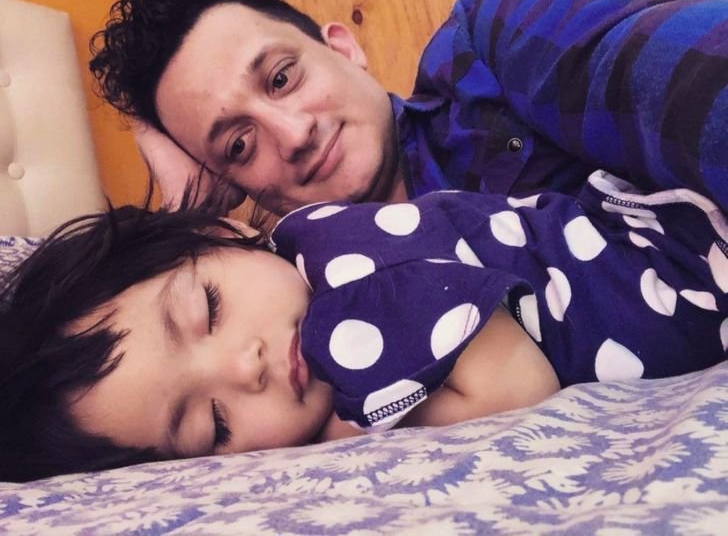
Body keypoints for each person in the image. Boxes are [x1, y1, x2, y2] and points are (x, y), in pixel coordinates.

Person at [2, 167, 726, 481]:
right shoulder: (308, 270)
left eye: (208, 310)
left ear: (226, 233)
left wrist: (350, 428)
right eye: (211, 426)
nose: (244, 366)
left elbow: (516, 389)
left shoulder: (345, 281)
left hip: (685, 270)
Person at [90, 0, 728, 215]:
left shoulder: (484, 47)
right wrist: (190, 221)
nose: (292, 134)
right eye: (238, 145)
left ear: (344, 49)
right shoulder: (295, 296)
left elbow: (673, 72)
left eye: (281, 78)